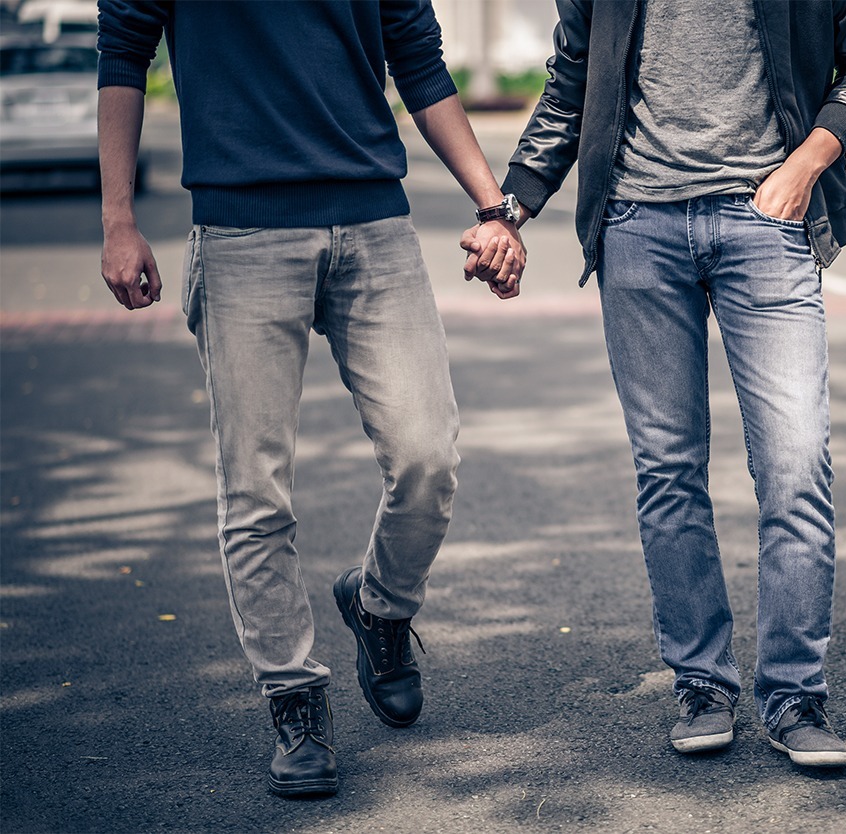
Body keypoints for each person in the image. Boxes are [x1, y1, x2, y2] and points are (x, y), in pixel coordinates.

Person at [97, 0, 524, 798]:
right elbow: (124, 50)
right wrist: (118, 218)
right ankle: (293, 698)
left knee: (427, 456)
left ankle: (381, 608)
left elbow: (419, 61)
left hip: (373, 222)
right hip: (240, 232)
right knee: (256, 490)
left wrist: (492, 207)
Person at [464, 0, 846, 767]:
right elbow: (573, 82)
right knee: (668, 470)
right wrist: (509, 209)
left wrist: (803, 167)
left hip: (765, 222)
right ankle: (702, 682)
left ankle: (795, 696)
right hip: (638, 227)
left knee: (795, 465)